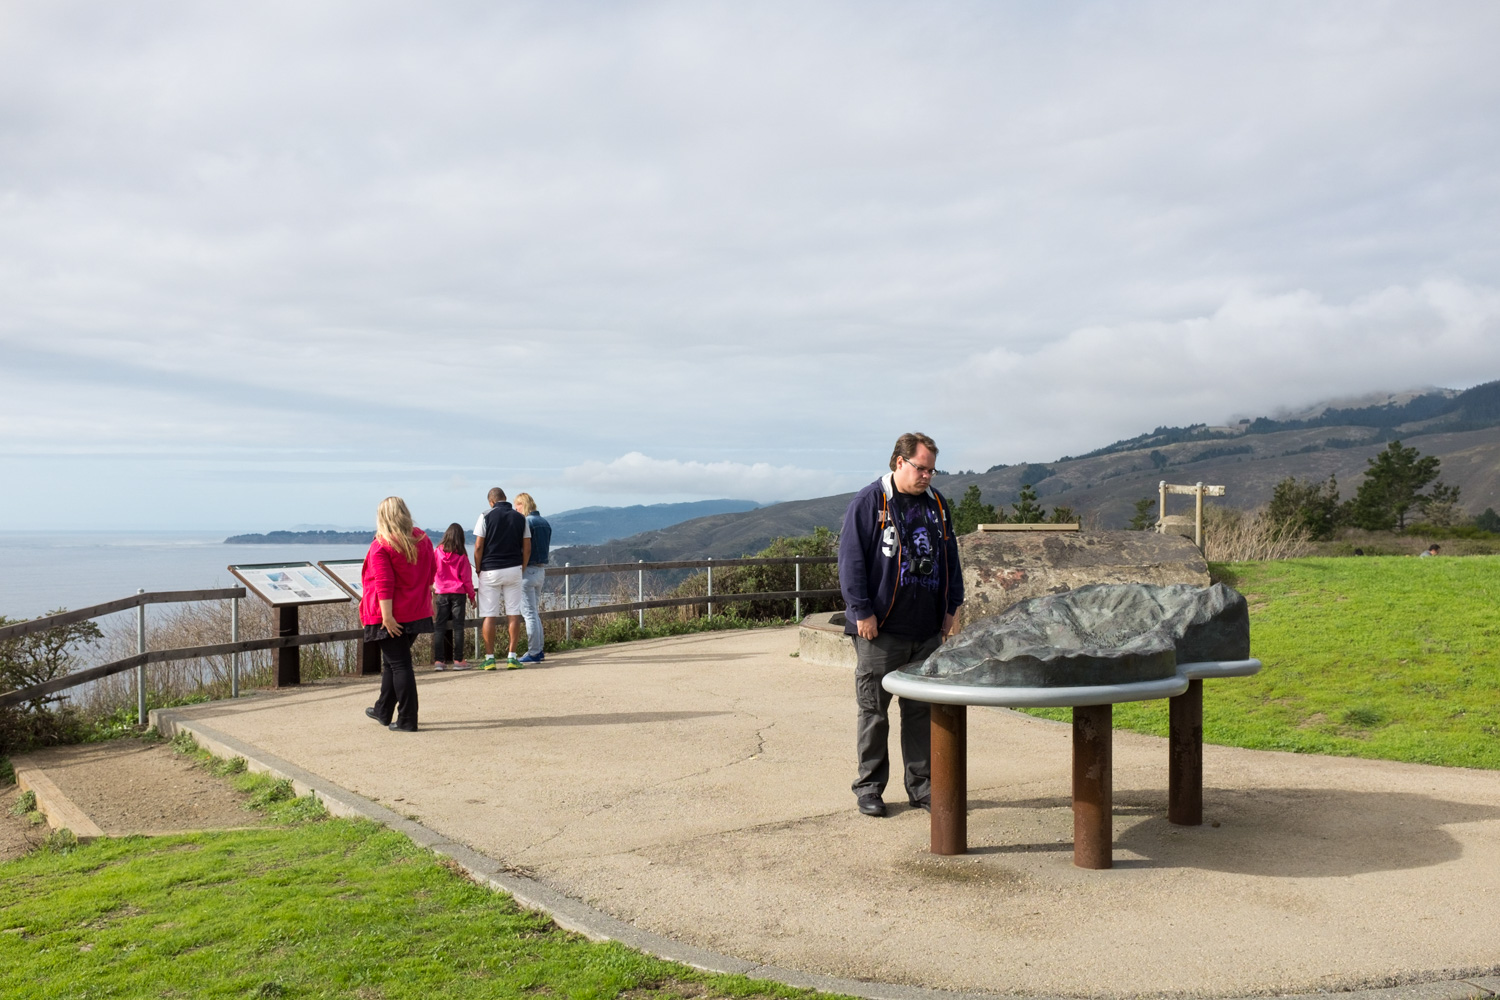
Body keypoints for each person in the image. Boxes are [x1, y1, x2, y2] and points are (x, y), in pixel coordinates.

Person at [838, 432, 964, 817]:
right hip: (881, 631)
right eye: (920, 468)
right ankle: (870, 788)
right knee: (874, 712)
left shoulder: (937, 505)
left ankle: (923, 788)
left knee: (920, 714)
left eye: (932, 469)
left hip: (925, 630)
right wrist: (861, 611)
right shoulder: (869, 502)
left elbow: (950, 558)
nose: (927, 476)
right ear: (899, 462)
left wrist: (952, 607)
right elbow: (851, 560)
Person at [360, 497, 437, 733]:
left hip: (390, 613)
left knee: (400, 665)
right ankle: (383, 709)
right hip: (416, 610)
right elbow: (431, 572)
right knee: (392, 663)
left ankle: (407, 719)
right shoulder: (423, 540)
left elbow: (384, 582)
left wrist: (387, 616)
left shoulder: (381, 545)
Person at [473, 486, 531, 669]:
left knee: (489, 615)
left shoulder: (485, 515)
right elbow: (527, 547)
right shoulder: (521, 518)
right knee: (513, 613)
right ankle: (512, 657)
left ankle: (490, 658)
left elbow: (478, 547)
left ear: (491, 501)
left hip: (490, 570)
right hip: (513, 568)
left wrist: (479, 568)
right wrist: (522, 566)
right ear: (505, 499)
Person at [513, 493, 552, 664]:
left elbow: (524, 547)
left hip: (527, 570)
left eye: (517, 506)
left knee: (528, 614)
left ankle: (534, 651)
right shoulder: (545, 522)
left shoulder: (527, 522)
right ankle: (539, 649)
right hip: (540, 570)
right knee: (534, 613)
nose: (516, 510)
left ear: (524, 504)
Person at [431, 522, 475, 670]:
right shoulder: (462, 555)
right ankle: (458, 660)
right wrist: (472, 596)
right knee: (458, 627)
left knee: (439, 627)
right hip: (458, 593)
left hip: (441, 592)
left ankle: (439, 661)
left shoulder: (437, 552)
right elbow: (467, 579)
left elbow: (430, 570)